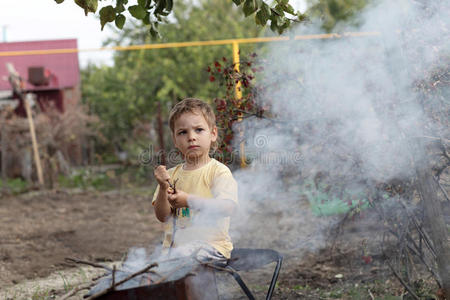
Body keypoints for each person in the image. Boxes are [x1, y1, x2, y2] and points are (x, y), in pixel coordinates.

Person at [152, 98, 238, 265]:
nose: (191, 137)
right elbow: (163, 216)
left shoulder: (218, 172)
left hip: (212, 248)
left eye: (198, 130)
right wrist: (163, 188)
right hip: (175, 253)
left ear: (213, 134)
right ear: (175, 140)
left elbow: (228, 207)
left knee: (181, 261)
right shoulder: (171, 175)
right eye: (182, 132)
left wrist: (189, 201)